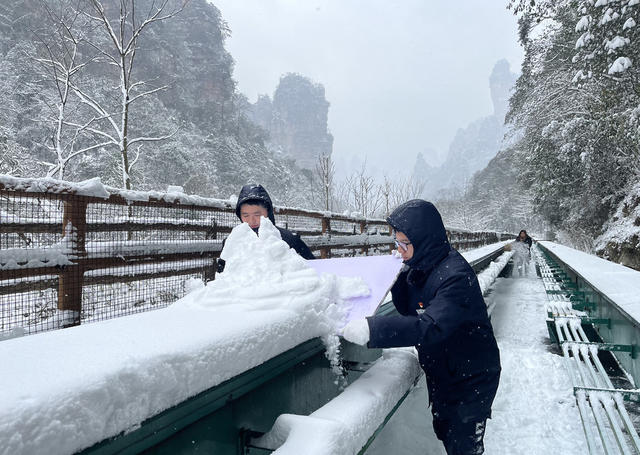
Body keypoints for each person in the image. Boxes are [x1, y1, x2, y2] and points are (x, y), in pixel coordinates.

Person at [342, 200, 500, 455]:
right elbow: (409, 309)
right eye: (397, 243)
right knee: (446, 430)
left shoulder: (454, 276)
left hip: (471, 378)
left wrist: (372, 330)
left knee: (464, 443)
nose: (399, 250)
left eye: (405, 244)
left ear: (424, 240)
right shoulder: (424, 265)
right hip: (445, 369)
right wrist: (395, 276)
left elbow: (429, 326)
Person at [233, 184, 315, 260]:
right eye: (246, 216)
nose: (251, 221)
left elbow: (314, 267)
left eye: (257, 214)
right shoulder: (233, 242)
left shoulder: (289, 240)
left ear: (268, 212)